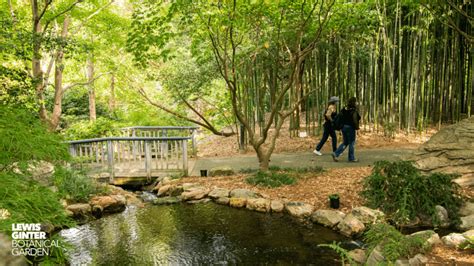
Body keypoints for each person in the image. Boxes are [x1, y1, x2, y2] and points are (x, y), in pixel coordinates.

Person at [332, 97, 361, 162]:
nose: (356, 103)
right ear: (354, 102)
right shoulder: (353, 111)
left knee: (345, 142)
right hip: (350, 128)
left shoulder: (344, 109)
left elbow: (340, 118)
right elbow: (355, 120)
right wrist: (357, 128)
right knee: (352, 143)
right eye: (355, 101)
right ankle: (351, 158)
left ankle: (336, 153)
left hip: (343, 128)